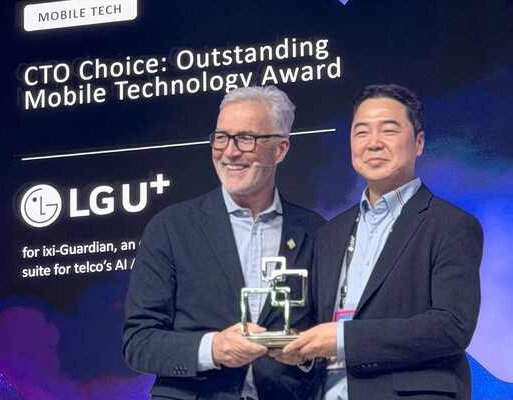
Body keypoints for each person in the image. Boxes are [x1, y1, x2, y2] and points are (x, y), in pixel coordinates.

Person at [273, 84, 483, 399]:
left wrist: (343, 339)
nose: (373, 143)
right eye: (361, 132)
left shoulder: (450, 225)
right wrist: (301, 349)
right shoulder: (330, 233)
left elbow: (451, 327)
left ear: (419, 143)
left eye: (389, 130)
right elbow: (322, 329)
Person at [122, 85, 325, 400]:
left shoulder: (316, 232)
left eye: (246, 138)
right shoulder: (171, 228)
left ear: (280, 149)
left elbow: (333, 337)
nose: (229, 152)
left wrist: (305, 353)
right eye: (221, 137)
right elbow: (139, 342)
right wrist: (213, 349)